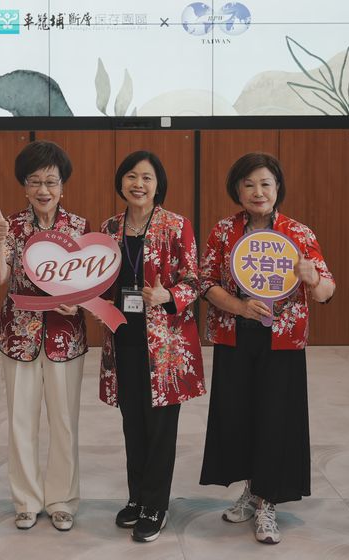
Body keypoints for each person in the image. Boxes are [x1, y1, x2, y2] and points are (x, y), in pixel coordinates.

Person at [198, 152, 335, 545]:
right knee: (238, 415)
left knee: (277, 417)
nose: (257, 192)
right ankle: (251, 488)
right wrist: (240, 306)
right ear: (236, 190)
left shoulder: (298, 233)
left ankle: (268, 502)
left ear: (278, 189)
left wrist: (311, 279)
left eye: (265, 184)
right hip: (235, 334)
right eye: (249, 184)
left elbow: (327, 291)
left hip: (283, 340)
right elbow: (206, 283)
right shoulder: (224, 232)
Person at [99, 150, 204, 543]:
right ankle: (137, 497)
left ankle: (156, 504)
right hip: (123, 338)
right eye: (130, 176)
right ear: (121, 183)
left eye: (146, 177)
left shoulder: (177, 226)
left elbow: (195, 282)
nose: (138, 184)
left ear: (158, 185)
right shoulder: (109, 228)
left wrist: (166, 295)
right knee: (133, 422)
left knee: (160, 427)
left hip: (165, 347)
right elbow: (100, 283)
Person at [0, 141, 87, 532]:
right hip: (19, 337)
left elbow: (90, 284)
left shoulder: (79, 227)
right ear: (24, 186)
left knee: (64, 421)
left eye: (51, 181)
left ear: (63, 186)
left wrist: (78, 304)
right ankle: (26, 500)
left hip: (66, 337)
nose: (43, 190)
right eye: (35, 182)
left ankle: (62, 499)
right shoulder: (10, 226)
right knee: (21, 421)